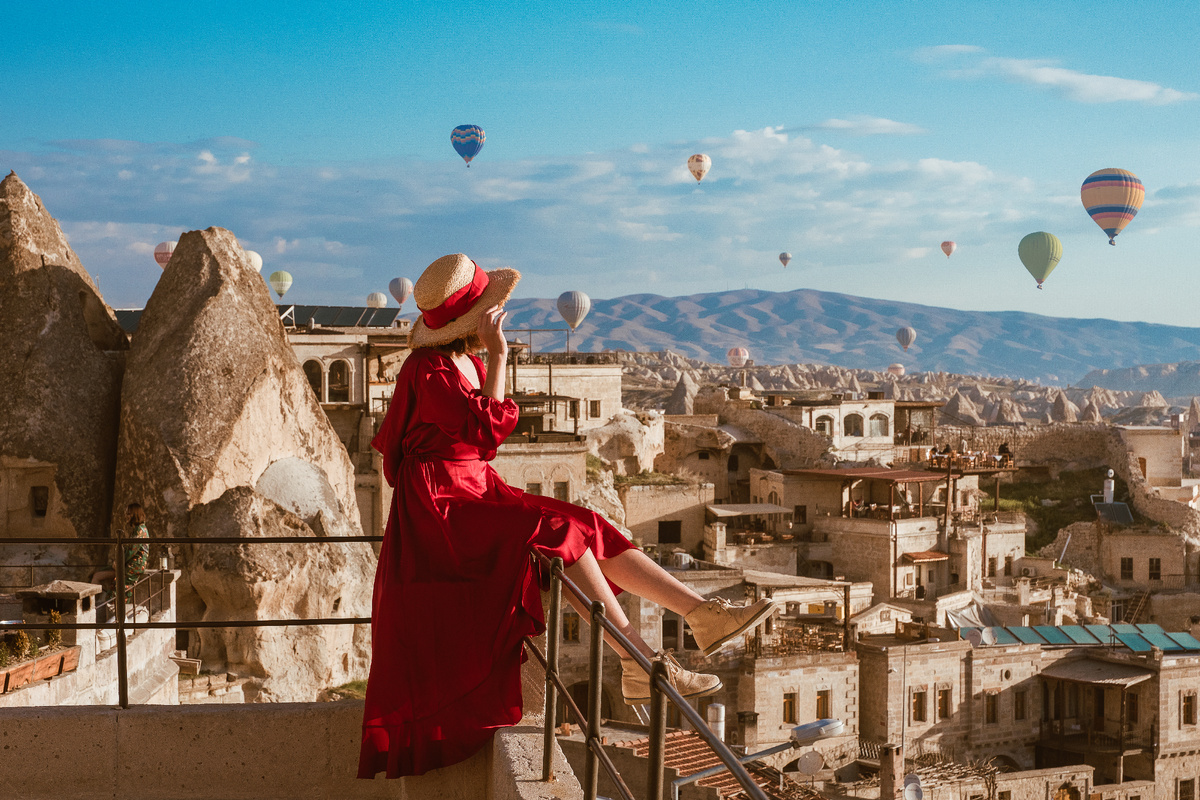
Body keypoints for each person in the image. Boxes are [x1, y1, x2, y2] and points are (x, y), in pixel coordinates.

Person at [358, 255, 776, 779]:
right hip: (441, 503)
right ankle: (636, 659)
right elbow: (485, 435)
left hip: (470, 486)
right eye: (493, 310)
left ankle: (699, 613)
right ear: (477, 318)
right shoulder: (432, 367)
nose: (500, 315)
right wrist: (501, 356)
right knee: (561, 531)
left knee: (590, 521)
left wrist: (489, 360)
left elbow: (477, 444)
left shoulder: (456, 362)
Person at [90, 503, 150, 607]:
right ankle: (94, 606)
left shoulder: (140, 530)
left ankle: (106, 610)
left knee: (117, 591)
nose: (126, 516)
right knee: (98, 574)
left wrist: (118, 562)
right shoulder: (138, 530)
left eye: (129, 514)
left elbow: (131, 551)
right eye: (126, 513)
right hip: (127, 565)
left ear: (135, 514)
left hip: (132, 568)